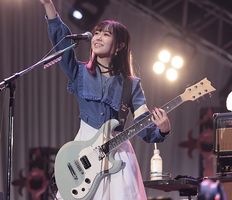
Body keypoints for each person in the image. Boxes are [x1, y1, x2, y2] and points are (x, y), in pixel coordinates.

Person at [39, 0, 171, 200]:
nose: (98, 37)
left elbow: (143, 127)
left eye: (106, 34)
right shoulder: (80, 73)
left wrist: (162, 129)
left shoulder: (131, 84)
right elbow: (62, 42)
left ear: (120, 45)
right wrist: (49, 6)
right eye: (97, 33)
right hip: (84, 154)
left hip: (118, 156)